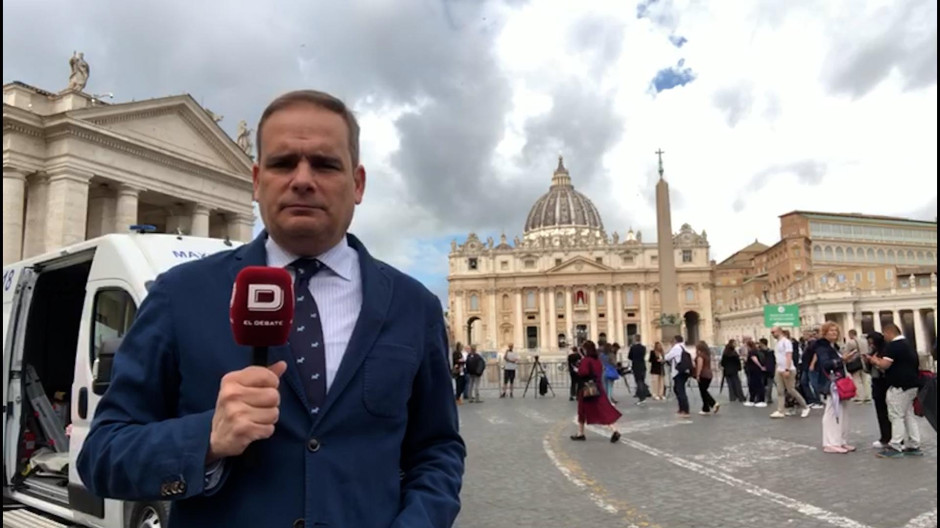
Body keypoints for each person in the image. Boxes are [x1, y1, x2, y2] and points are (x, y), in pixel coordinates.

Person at [77, 90, 466, 527]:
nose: (302, 180)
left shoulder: (414, 306)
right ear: (257, 180)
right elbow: (101, 456)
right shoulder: (180, 295)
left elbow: (437, 450)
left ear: (358, 183)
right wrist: (207, 437)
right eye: (283, 164)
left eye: (325, 164)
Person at [868, 323, 922, 458]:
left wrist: (874, 361)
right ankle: (914, 444)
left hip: (899, 385)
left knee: (896, 415)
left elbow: (885, 365)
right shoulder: (908, 344)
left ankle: (895, 445)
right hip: (912, 384)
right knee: (908, 414)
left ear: (888, 333)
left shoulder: (893, 346)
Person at [814, 321, 854, 454]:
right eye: (831, 330)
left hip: (839, 380)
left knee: (843, 412)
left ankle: (841, 440)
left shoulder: (834, 346)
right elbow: (825, 364)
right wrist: (841, 360)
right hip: (831, 383)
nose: (834, 333)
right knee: (832, 411)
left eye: (836, 331)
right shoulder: (822, 347)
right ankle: (830, 442)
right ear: (824, 332)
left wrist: (844, 360)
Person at [570, 340, 622, 442]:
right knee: (602, 409)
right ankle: (614, 429)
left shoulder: (586, 360)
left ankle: (581, 433)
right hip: (598, 386)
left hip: (587, 387)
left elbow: (583, 372)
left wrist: (577, 369)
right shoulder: (597, 360)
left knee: (581, 410)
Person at [769, 327, 810, 419]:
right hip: (779, 369)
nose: (772, 334)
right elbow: (778, 357)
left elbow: (788, 356)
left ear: (779, 331)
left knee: (791, 390)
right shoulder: (777, 343)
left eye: (773, 332)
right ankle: (780, 410)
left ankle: (805, 407)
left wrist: (787, 369)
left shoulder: (786, 342)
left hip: (788, 369)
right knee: (780, 391)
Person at [866, 332, 892, 449]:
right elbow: (868, 369)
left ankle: (892, 437)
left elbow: (885, 368)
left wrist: (875, 362)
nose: (871, 345)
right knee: (881, 413)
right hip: (876, 383)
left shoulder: (885, 351)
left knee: (889, 413)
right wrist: (868, 361)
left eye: (872, 343)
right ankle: (884, 436)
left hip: (885, 383)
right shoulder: (874, 351)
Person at [664, 335, 691, 418]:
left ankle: (685, 410)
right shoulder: (684, 347)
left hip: (678, 372)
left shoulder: (676, 348)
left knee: (680, 390)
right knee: (677, 389)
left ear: (675, 340)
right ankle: (682, 408)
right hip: (685, 371)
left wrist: (670, 348)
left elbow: (667, 357)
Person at [844, 329, 872, 403]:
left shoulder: (850, 343)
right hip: (864, 361)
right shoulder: (864, 341)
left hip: (855, 362)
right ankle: (868, 396)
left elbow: (846, 353)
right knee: (865, 379)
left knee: (857, 380)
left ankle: (860, 396)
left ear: (850, 334)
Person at [694, 341, 718, 415]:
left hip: (703, 375)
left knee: (703, 392)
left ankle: (713, 403)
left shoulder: (700, 355)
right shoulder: (707, 355)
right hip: (709, 374)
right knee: (703, 391)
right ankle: (705, 408)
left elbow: (700, 365)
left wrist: (697, 375)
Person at [744, 340, 766, 408]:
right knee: (757, 385)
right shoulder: (756, 351)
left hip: (754, 371)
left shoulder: (752, 352)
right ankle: (755, 400)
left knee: (754, 385)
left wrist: (760, 366)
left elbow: (755, 360)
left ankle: (756, 400)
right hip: (756, 370)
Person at [628, 335, 649, 404]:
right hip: (642, 366)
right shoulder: (643, 347)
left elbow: (629, 357)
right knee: (642, 381)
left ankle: (642, 397)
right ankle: (643, 395)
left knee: (639, 382)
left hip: (636, 366)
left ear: (635, 339)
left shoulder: (633, 348)